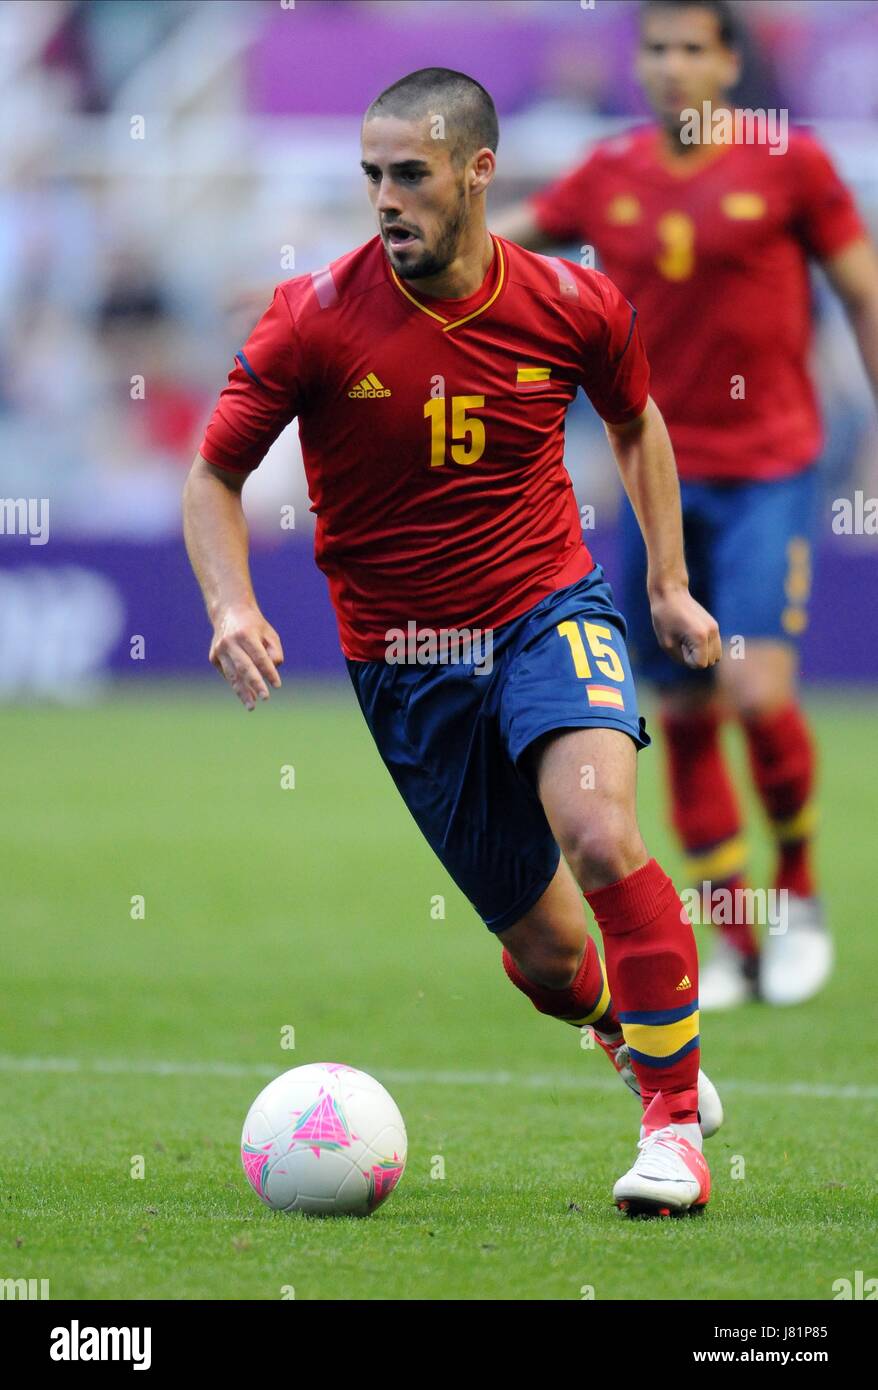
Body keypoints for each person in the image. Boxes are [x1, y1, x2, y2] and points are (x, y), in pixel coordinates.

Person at [183, 67, 724, 1216]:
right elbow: (214, 473)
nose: (385, 198)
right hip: (404, 663)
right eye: (371, 175)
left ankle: (671, 1131)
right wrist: (232, 606)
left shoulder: (572, 304)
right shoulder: (313, 318)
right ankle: (631, 1037)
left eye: (410, 175)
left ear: (477, 173)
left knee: (596, 830)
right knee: (542, 951)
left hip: (545, 609)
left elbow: (636, 421)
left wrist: (666, 584)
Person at [494, 0, 878, 1010]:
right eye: (653, 48)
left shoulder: (789, 165)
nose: (668, 67)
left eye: (688, 49)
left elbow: (862, 291)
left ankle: (795, 888)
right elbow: (489, 254)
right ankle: (736, 941)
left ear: (725, 61)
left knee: (752, 689)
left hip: (767, 465)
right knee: (683, 708)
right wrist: (349, 276)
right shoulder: (608, 173)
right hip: (652, 476)